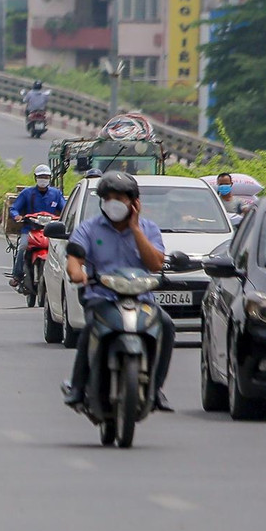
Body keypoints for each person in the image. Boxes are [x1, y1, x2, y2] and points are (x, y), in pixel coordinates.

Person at [61, 170, 175, 412]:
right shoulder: (88, 229)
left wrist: (135, 229)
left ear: (134, 202)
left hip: (142, 299)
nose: (115, 203)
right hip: (102, 298)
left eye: (120, 198)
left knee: (165, 325)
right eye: (109, 198)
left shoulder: (149, 229)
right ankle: (78, 387)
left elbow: (155, 263)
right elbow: (75, 258)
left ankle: (156, 389)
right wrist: (77, 273)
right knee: (90, 329)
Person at [9, 165, 66, 287]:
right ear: (35, 178)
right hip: (30, 230)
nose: (43, 179)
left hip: (50, 231)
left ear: (50, 178)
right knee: (22, 247)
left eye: (45, 177)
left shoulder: (56, 194)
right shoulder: (27, 193)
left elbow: (65, 209)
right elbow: (14, 208)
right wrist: (17, 216)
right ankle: (17, 275)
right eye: (40, 177)